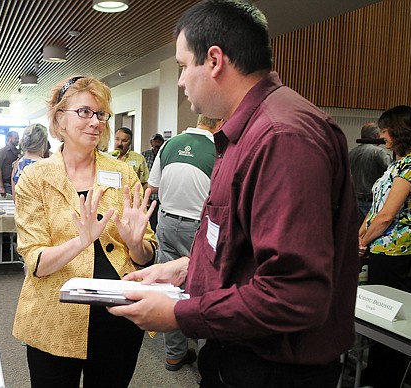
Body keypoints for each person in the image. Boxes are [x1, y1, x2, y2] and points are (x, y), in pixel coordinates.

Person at [109, 2, 359, 387]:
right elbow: (243, 248)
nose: (180, 81)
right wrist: (182, 270)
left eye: (182, 66)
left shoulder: (281, 136)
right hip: (243, 356)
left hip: (273, 369)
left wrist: (180, 316)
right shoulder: (247, 131)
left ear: (213, 61)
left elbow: (295, 293)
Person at [12, 75, 158, 387]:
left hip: (117, 317)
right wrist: (81, 240)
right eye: (84, 112)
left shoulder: (122, 172)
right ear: (59, 118)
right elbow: (35, 262)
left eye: (101, 114)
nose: (95, 122)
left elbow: (146, 253)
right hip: (55, 317)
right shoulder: (35, 178)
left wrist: (136, 245)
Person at [148, 115, 220, 371]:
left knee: (171, 288)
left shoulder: (169, 145)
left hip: (166, 223)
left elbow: (153, 185)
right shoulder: (219, 149)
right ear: (220, 122)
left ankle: (174, 355)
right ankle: (205, 367)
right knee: (203, 291)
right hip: (200, 229)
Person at [358, 105, 411, 388]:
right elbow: (376, 207)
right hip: (379, 247)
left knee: (390, 321)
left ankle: (387, 377)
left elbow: (389, 214)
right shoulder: (396, 163)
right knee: (376, 318)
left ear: (399, 131)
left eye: (385, 129)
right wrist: (361, 235)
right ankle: (376, 371)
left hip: (396, 251)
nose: (381, 134)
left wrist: (364, 240)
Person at [349, 121, 392, 224]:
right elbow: (393, 171)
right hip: (370, 202)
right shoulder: (378, 153)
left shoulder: (351, 153)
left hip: (354, 201)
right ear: (376, 135)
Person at [10, 123, 48, 199]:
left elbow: (15, 199)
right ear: (43, 142)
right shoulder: (45, 166)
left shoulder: (17, 165)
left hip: (21, 210)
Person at [142, 133, 164, 231]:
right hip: (147, 195)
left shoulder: (164, 156)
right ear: (151, 143)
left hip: (159, 196)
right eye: (155, 141)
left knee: (156, 223)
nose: (157, 144)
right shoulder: (144, 155)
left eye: (159, 141)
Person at [0, 130, 19, 198]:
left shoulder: (18, 152)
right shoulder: (2, 152)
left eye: (18, 138)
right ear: (9, 138)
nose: (17, 140)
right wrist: (1, 187)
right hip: (6, 185)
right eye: (16, 138)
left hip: (17, 184)